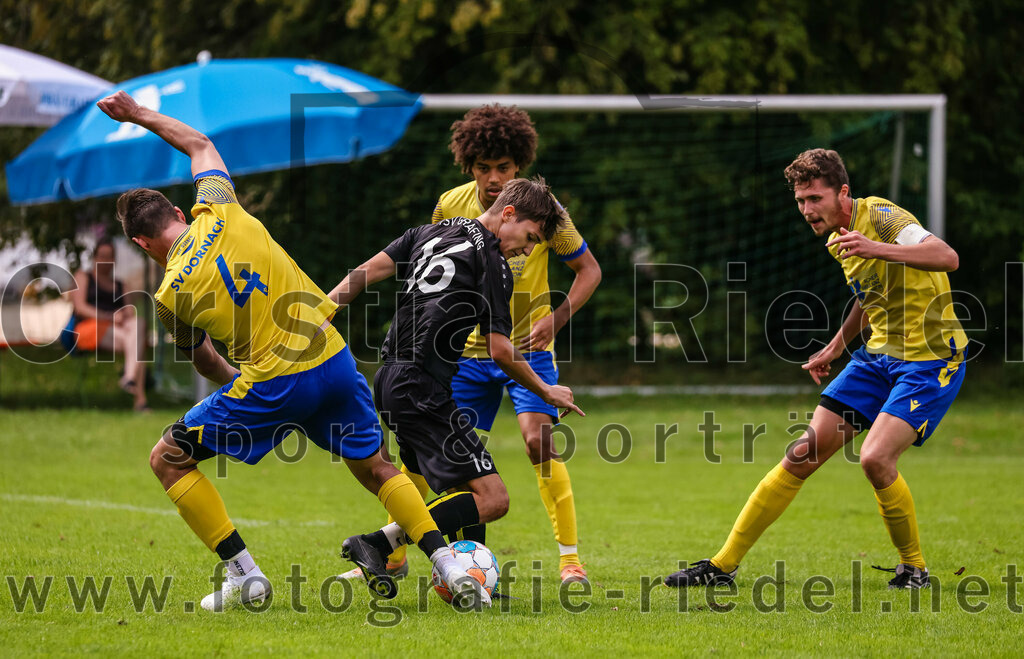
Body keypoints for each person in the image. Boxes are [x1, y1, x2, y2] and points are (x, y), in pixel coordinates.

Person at [95, 90, 486, 611]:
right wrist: (138, 114)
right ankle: (450, 563)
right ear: (176, 210)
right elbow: (199, 143)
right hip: (333, 357)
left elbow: (207, 362)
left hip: (274, 383)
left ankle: (246, 576)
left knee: (168, 458)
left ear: (143, 244)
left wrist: (249, 382)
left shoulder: (168, 300)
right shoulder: (222, 207)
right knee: (377, 469)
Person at [665, 148, 968, 590]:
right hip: (878, 357)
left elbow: (946, 257)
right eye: (801, 201)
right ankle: (722, 565)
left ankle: (915, 570)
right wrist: (835, 346)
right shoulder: (836, 239)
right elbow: (870, 298)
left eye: (815, 199)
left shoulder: (881, 216)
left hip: (931, 360)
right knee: (801, 455)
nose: (807, 210)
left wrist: (873, 245)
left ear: (843, 193)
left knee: (875, 458)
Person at [341, 105, 601, 586]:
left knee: (533, 441)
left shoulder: (546, 211)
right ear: (470, 169)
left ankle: (569, 561)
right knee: (473, 480)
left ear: (518, 168)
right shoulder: (458, 219)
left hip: (514, 348)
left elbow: (589, 269)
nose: (494, 177)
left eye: (504, 167)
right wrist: (550, 392)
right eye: (484, 168)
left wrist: (555, 318)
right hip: (461, 358)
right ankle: (413, 553)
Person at [63, 239, 149, 411]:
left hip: (117, 330)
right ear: (95, 258)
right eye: (102, 256)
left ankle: (129, 377)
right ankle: (139, 399)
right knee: (137, 344)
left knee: (139, 324)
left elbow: (129, 312)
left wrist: (122, 315)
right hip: (88, 329)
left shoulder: (121, 284)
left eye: (109, 257)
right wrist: (109, 317)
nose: (105, 261)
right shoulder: (83, 277)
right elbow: (80, 308)